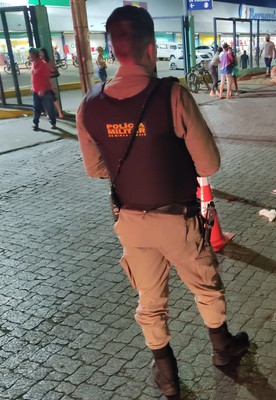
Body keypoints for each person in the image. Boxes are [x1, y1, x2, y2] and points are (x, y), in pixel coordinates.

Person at [76, 6, 249, 399]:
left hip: (130, 222)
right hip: (179, 220)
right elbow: (209, 163)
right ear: (150, 49)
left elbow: (95, 169)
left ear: (113, 51)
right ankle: (223, 352)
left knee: (149, 300)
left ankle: (167, 377)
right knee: (206, 288)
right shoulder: (172, 95)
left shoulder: (89, 104)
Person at [29, 47, 56, 131]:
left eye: (30, 55)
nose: (29, 56)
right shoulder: (33, 64)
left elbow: (46, 78)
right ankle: (35, 123)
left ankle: (53, 122)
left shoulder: (43, 65)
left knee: (49, 108)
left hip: (45, 91)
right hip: (36, 91)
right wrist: (33, 87)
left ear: (33, 55)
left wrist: (43, 89)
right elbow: (34, 77)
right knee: (36, 107)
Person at [39, 47, 64, 119]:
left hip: (49, 83)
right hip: (41, 83)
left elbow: (54, 72)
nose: (40, 54)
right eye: (39, 52)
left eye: (41, 52)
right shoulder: (39, 62)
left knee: (54, 98)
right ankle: (48, 113)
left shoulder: (48, 62)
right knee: (44, 99)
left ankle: (60, 113)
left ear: (44, 53)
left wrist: (48, 75)